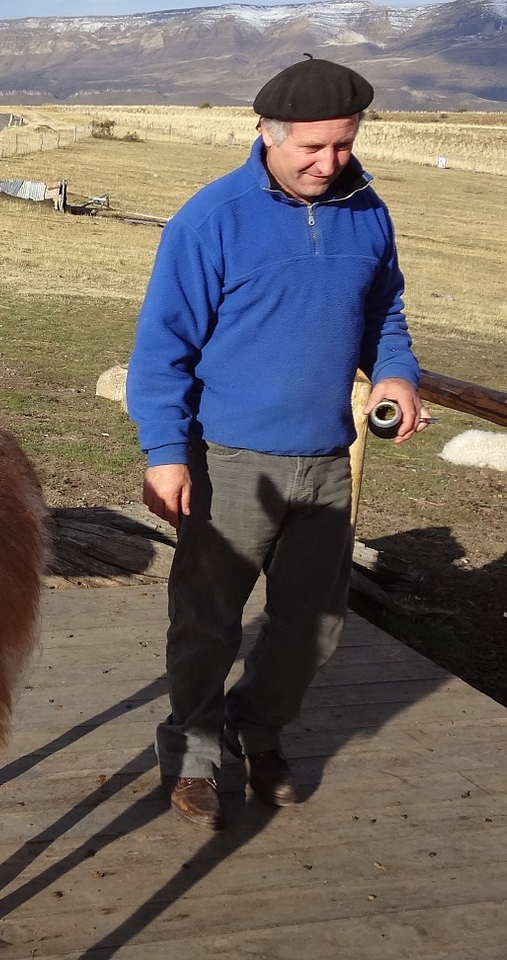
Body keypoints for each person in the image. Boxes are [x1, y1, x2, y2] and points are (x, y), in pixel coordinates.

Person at [126, 56, 430, 829]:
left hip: (327, 462)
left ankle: (254, 730)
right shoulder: (211, 219)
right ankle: (191, 757)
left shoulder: (368, 210)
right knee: (207, 622)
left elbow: (383, 316)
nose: (332, 163)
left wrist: (395, 376)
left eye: (345, 145)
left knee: (313, 629)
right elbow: (163, 349)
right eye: (314, 149)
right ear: (267, 133)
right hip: (226, 462)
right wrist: (165, 453)